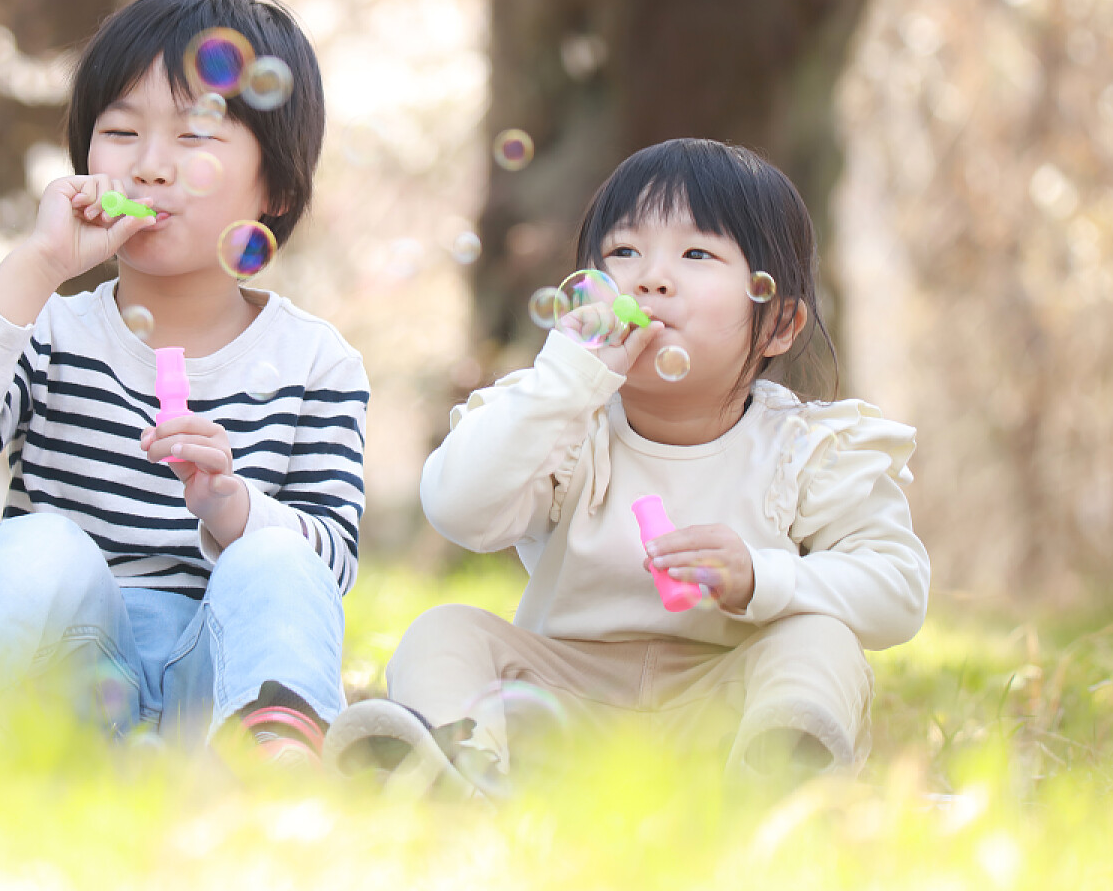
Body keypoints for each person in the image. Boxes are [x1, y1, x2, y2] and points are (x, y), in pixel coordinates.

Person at [0, 0, 367, 763]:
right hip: (63, 685)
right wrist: (36, 268)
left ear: (278, 189)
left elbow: (328, 564)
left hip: (221, 690)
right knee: (45, 542)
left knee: (277, 556)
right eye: (122, 131)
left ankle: (278, 759)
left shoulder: (315, 364)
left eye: (198, 136)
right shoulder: (54, 331)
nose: (152, 167)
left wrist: (236, 511)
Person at [326, 138, 928, 794]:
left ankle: (778, 782)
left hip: (723, 716)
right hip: (561, 710)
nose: (649, 278)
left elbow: (896, 588)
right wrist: (565, 381)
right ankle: (460, 770)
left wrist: (762, 577)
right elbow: (458, 510)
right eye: (623, 252)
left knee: (821, 640)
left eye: (697, 254)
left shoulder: (811, 447)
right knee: (443, 629)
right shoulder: (559, 423)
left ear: (779, 323)